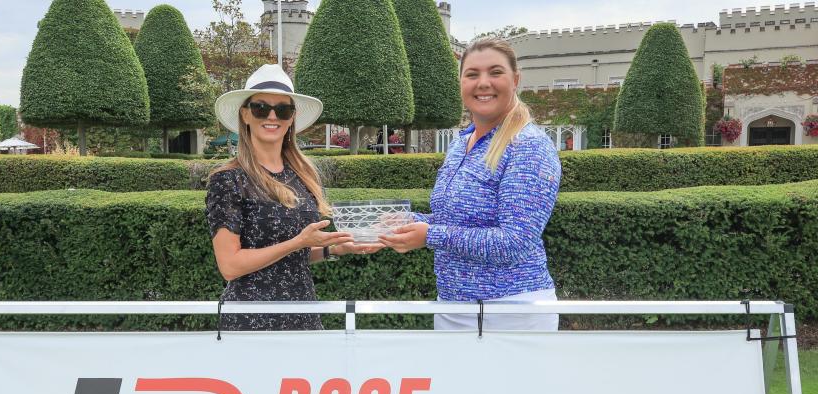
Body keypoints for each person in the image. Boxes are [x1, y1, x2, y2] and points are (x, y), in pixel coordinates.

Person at [379, 38, 562, 331]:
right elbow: (454, 221)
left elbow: (515, 242)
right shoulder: (461, 143)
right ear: (461, 83)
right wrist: (409, 222)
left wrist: (431, 236)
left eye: (495, 72)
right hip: (454, 309)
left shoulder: (529, 146)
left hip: (511, 313)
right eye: (472, 74)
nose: (483, 83)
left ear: (515, 80)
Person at [207, 64, 382, 331]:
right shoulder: (228, 179)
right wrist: (298, 242)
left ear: (292, 118)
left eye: (284, 109)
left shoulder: (303, 174)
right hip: (251, 322)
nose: (272, 116)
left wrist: (333, 248)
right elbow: (230, 266)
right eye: (261, 108)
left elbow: (293, 256)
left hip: (303, 315)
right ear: (245, 115)